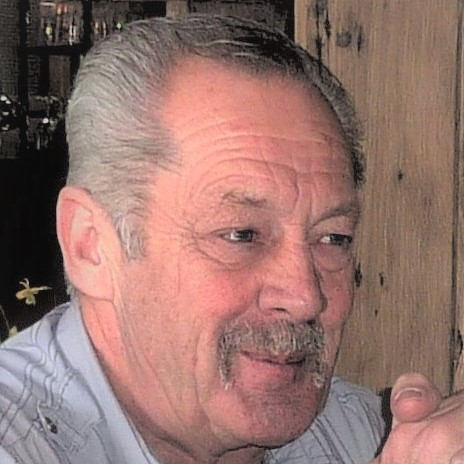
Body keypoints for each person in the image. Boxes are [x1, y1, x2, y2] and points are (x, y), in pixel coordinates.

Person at [0, 14, 462, 464]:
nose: (305, 298)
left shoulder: (365, 433)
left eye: (333, 238)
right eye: (242, 234)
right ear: (91, 246)